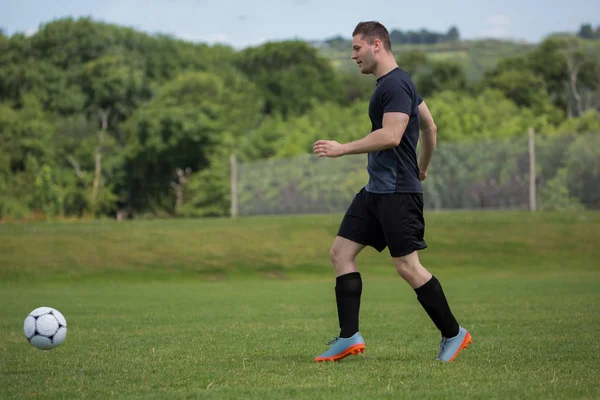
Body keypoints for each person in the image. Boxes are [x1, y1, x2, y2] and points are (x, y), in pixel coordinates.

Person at [312, 21, 471, 363]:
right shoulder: (398, 83)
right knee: (340, 253)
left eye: (356, 48)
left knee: (407, 267)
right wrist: (423, 166)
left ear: (377, 46)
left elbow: (391, 136)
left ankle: (453, 333)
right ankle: (348, 336)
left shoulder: (396, 84)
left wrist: (342, 149)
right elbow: (429, 126)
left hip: (397, 192)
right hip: (376, 190)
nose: (352, 55)